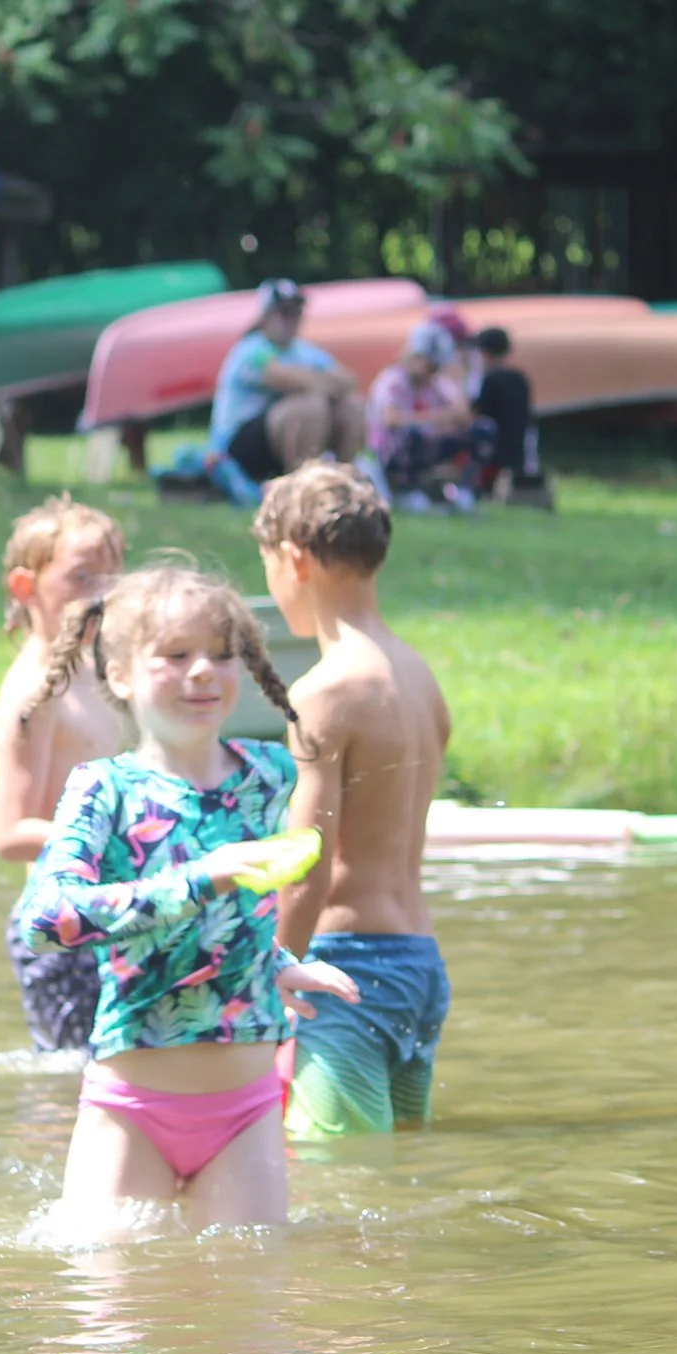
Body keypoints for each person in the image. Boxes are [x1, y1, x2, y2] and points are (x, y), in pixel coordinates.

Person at [12, 562, 360, 1240]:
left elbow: (232, 919)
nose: (204, 671)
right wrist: (201, 876)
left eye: (221, 654)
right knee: (107, 1326)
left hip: (246, 1106)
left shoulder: (267, 775)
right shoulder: (104, 787)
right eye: (175, 656)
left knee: (248, 1317)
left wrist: (277, 961)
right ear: (120, 675)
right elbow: (47, 918)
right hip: (133, 1102)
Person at [253, 464, 453, 1136]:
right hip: (420, 966)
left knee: (339, 1186)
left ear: (292, 559)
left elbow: (306, 862)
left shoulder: (324, 691)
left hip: (347, 969)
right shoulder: (419, 675)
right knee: (399, 1177)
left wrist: (271, 970)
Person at [0, 496, 129, 1053]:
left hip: (104, 915)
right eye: (82, 578)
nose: (103, 595)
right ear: (27, 588)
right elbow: (11, 832)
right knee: (73, 1091)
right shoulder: (36, 691)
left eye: (112, 579)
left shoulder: (90, 673)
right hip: (60, 927)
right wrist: (131, 834)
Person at [208, 278, 372, 486]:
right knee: (311, 406)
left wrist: (314, 381)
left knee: (352, 406)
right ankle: (301, 487)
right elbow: (287, 379)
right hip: (236, 449)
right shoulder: (251, 349)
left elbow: (349, 381)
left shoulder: (303, 350)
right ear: (266, 316)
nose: (291, 320)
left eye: (296, 313)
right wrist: (320, 381)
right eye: (284, 313)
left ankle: (340, 484)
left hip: (274, 439)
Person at [368, 322, 494, 511]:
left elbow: (461, 415)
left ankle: (464, 490)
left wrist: (467, 374)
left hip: (428, 445)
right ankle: (405, 490)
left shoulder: (436, 383)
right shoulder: (392, 381)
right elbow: (391, 420)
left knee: (483, 429)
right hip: (392, 451)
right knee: (411, 433)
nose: (433, 371)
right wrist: (438, 418)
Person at [470, 326, 547, 504]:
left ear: (484, 352)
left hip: (496, 455)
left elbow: (475, 414)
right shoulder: (520, 378)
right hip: (521, 451)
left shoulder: (490, 380)